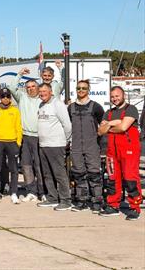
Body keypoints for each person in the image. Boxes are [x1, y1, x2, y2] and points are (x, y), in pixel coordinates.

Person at [98, 86, 142, 220]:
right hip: (112, 151)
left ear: (123, 96)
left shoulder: (131, 109)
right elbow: (100, 131)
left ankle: (135, 207)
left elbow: (124, 127)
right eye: (112, 97)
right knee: (112, 178)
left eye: (117, 96)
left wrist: (109, 125)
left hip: (129, 150)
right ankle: (113, 205)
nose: (114, 99)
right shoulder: (108, 112)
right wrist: (114, 123)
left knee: (130, 178)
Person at [67, 80, 105, 212]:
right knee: (78, 174)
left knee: (94, 174)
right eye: (78, 88)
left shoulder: (96, 107)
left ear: (88, 90)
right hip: (76, 146)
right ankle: (81, 201)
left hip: (92, 146)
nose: (81, 90)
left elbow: (104, 125)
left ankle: (97, 201)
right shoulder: (70, 108)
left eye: (84, 88)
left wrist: (101, 143)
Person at [9, 68, 45, 202]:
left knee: (39, 165)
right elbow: (12, 87)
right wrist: (19, 74)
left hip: (39, 137)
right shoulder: (22, 97)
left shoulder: (42, 99)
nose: (30, 89)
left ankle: (42, 191)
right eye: (28, 87)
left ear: (38, 87)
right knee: (26, 165)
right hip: (25, 136)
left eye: (33, 86)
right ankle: (31, 191)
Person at [36, 83, 72, 211]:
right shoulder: (41, 105)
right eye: (40, 91)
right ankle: (52, 198)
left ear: (51, 92)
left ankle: (66, 200)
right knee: (47, 173)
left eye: (44, 91)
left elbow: (67, 125)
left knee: (59, 173)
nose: (42, 93)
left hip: (56, 145)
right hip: (43, 144)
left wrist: (66, 140)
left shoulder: (58, 104)